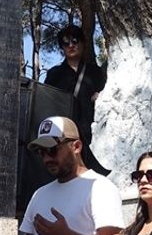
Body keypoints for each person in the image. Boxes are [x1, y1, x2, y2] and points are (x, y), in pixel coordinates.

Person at [17, 116, 124, 235]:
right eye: (41, 152)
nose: (47, 158)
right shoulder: (39, 194)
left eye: (52, 150)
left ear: (76, 147)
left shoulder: (100, 187)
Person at [43, 25, 108, 173]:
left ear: (83, 43)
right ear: (62, 48)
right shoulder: (54, 74)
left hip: (91, 133)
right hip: (63, 134)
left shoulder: (95, 72)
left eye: (75, 40)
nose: (71, 45)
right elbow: (46, 102)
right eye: (66, 43)